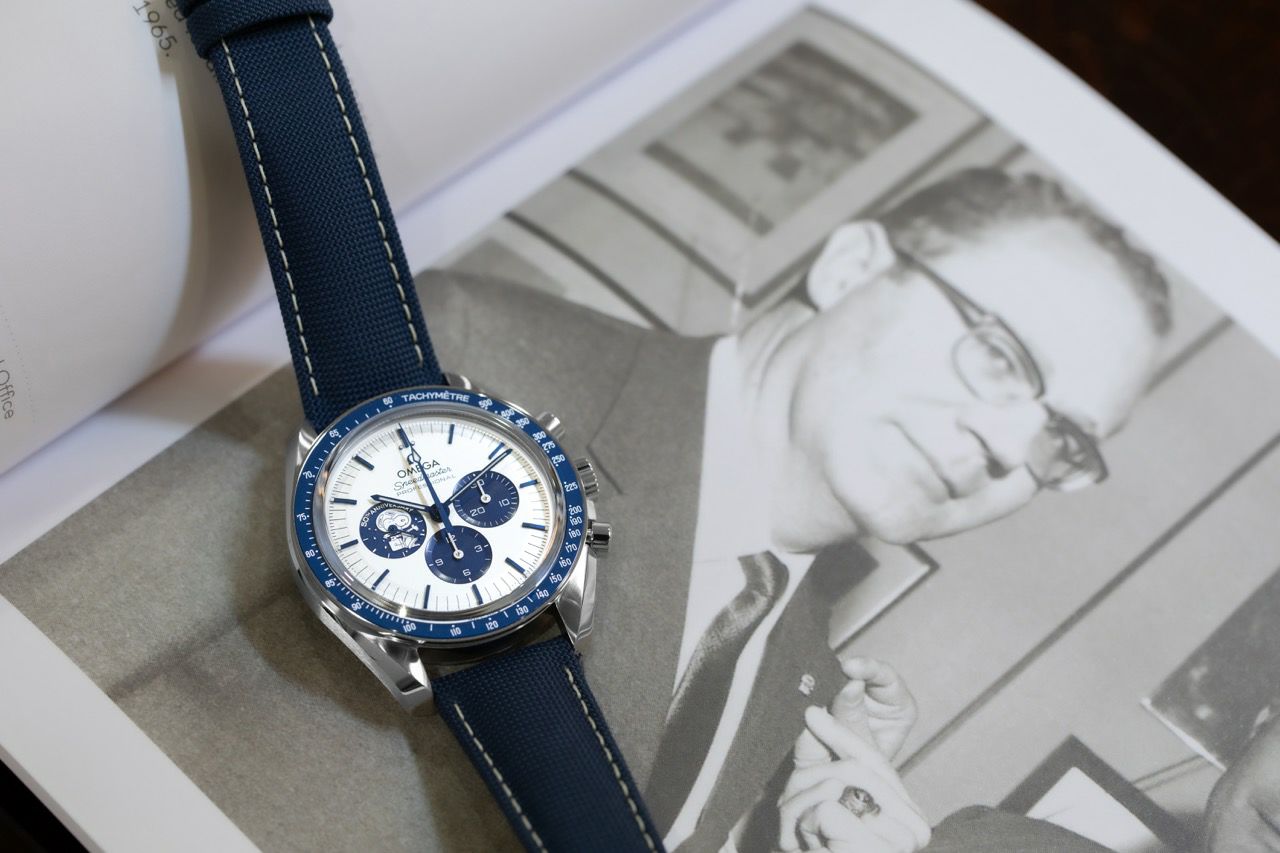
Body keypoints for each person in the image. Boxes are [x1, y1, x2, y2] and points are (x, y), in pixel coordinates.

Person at [417, 167, 1171, 852]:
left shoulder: (808, 684)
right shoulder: (476, 362)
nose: (1010, 447)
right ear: (851, 269)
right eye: (1000, 355)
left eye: (1064, 438)